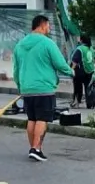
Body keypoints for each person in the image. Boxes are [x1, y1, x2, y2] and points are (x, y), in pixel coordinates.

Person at [12, 14, 72, 162]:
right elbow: (59, 63)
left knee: (31, 118)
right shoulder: (47, 43)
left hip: (27, 88)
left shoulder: (20, 45)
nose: (49, 29)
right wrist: (71, 72)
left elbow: (16, 69)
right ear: (42, 25)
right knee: (42, 119)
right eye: (48, 26)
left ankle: (34, 147)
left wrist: (20, 86)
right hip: (44, 87)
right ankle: (36, 148)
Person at [70, 35, 95, 107]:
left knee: (78, 87)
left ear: (81, 40)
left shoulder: (80, 49)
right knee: (88, 88)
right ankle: (90, 104)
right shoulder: (91, 49)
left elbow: (75, 61)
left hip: (80, 71)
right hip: (90, 71)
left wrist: (71, 71)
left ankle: (76, 103)